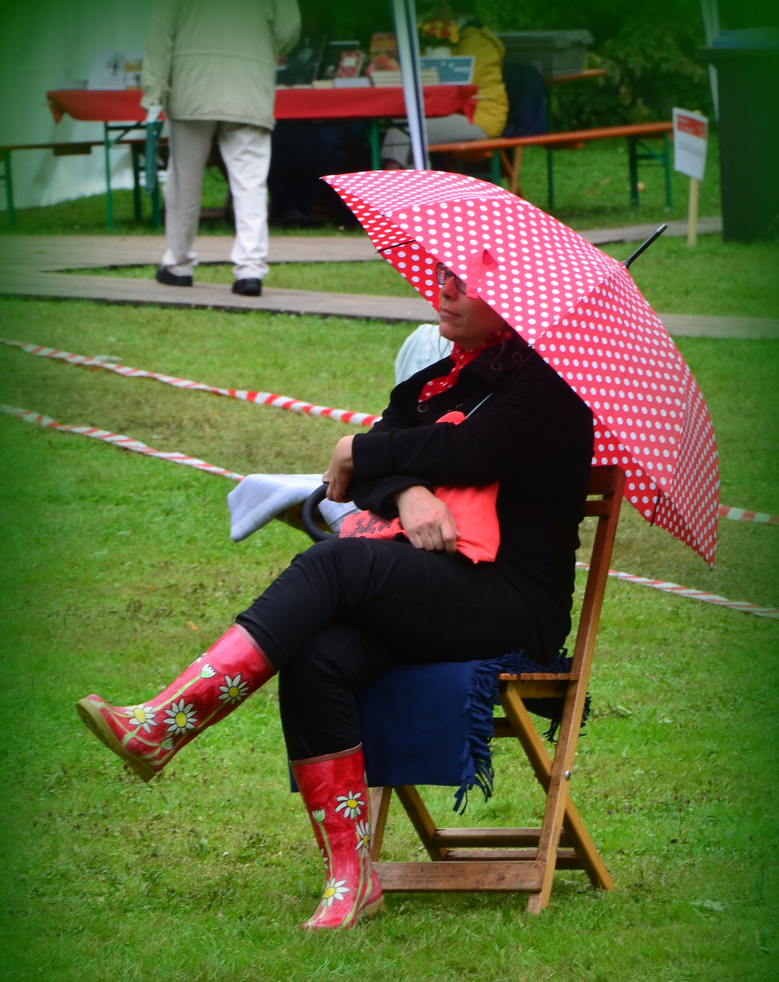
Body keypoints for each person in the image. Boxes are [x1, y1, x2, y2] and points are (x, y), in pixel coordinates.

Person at [77, 261, 594, 932]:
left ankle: (169, 722)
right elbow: (372, 467)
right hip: (433, 584)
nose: (441, 290)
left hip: (508, 598)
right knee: (319, 653)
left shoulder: (552, 387)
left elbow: (467, 450)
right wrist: (404, 488)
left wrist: (358, 450)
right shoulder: (443, 376)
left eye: (462, 282)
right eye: (440, 275)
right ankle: (351, 879)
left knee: (334, 565)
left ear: (512, 296)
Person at [141, 0, 300, 296]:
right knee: (250, 183)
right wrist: (264, 48)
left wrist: (153, 90)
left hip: (190, 84)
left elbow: (160, 34)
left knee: (183, 182)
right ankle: (250, 269)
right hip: (250, 83)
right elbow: (288, 29)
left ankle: (179, 264)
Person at [381, 1, 508, 168]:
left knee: (402, 132)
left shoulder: (476, 40)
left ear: (456, 9)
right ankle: (410, 190)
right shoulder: (451, 37)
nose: (435, 11)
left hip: (480, 117)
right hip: (463, 113)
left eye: (440, 6)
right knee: (403, 129)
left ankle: (396, 192)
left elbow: (461, 85)